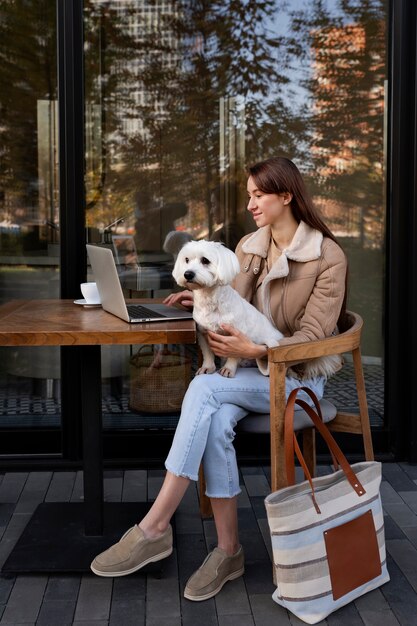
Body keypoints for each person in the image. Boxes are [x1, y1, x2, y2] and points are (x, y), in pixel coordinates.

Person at [90, 156, 348, 601]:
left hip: (295, 379)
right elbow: (233, 305)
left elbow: (311, 340)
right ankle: (228, 550)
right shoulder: (249, 245)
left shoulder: (327, 256)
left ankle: (155, 528)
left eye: (258, 195)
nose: (249, 204)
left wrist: (257, 350)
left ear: (286, 196)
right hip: (243, 374)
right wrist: (201, 296)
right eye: (249, 195)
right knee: (211, 412)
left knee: (204, 389)